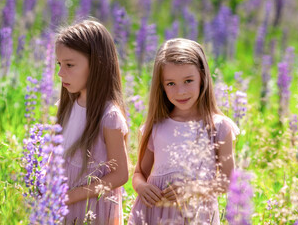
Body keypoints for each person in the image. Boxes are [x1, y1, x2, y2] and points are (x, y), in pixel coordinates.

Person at [128, 38, 239, 225]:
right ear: (161, 86)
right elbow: (139, 173)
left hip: (196, 216)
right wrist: (142, 187)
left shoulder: (218, 127)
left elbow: (229, 181)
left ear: (202, 77)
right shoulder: (155, 126)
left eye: (188, 81)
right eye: (170, 83)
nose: (180, 91)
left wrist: (193, 189)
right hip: (154, 213)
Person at [55, 19, 129, 225]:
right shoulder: (67, 105)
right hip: (61, 205)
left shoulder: (109, 116)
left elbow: (121, 174)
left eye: (69, 65)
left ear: (97, 64)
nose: (61, 73)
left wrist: (71, 196)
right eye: (59, 64)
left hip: (91, 209)